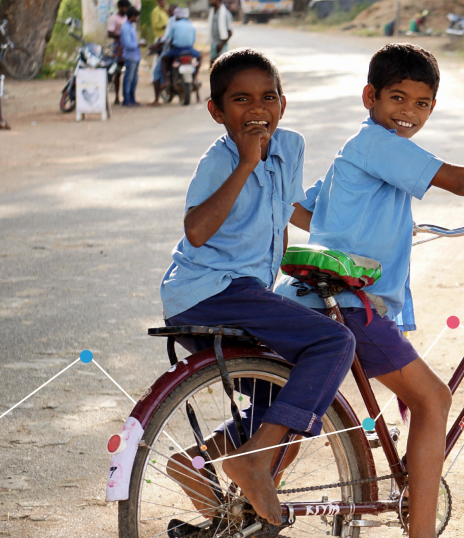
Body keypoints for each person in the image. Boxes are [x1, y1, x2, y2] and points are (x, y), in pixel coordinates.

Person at [275, 43, 464, 538]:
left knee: (294, 411)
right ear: (369, 96)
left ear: (432, 107)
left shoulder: (355, 151)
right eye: (397, 98)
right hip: (352, 305)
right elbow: (456, 180)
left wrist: (375, 229)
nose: (408, 113)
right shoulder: (379, 144)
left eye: (421, 104)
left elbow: (309, 214)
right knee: (433, 400)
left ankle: (202, 467)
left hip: (317, 299)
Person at [158, 48, 356, 529]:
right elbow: (197, 231)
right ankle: (252, 462)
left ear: (282, 104)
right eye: (241, 100)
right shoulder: (219, 160)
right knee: (335, 341)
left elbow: (283, 214)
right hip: (210, 291)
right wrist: (245, 162)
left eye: (268, 97)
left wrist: (336, 254)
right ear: (217, 112)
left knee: (292, 388)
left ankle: (198, 465)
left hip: (245, 292)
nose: (257, 109)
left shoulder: (291, 146)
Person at [159, 7, 203, 95]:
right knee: (200, 56)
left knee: (163, 59)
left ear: (177, 17)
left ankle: (166, 80)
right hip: (189, 49)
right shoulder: (191, 26)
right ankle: (194, 78)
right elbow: (193, 41)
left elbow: (169, 39)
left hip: (177, 50)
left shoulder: (174, 25)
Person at [106, 0, 132, 105]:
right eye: (126, 8)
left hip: (128, 47)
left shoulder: (127, 18)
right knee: (117, 72)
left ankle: (128, 96)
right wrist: (122, 36)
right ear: (121, 7)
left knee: (129, 72)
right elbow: (110, 33)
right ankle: (117, 97)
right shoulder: (113, 18)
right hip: (118, 47)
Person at [147, 0, 172, 105]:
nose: (164, 2)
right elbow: (156, 25)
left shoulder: (165, 11)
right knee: (158, 68)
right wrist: (167, 26)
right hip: (160, 41)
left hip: (167, 42)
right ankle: (157, 97)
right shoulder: (156, 11)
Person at [119, 8, 141, 107]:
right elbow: (128, 44)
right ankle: (126, 99)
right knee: (128, 79)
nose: (137, 18)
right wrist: (138, 44)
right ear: (132, 15)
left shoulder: (131, 27)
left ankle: (132, 98)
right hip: (130, 57)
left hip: (135, 57)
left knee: (134, 79)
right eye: (136, 16)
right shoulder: (125, 28)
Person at [208, 0, 233, 68]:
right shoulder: (212, 12)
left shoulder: (226, 14)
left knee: (223, 67)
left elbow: (230, 32)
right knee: (212, 66)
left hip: (222, 45)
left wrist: (221, 45)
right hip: (213, 44)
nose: (210, 1)